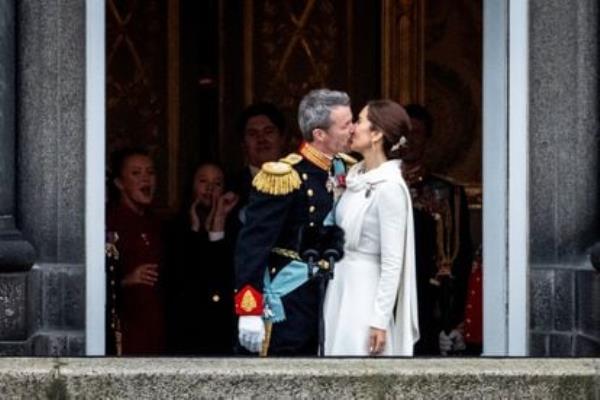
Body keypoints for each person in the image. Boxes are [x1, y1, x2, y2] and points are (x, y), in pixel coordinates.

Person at [234, 89, 355, 355]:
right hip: (291, 299)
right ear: (320, 134)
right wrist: (249, 308)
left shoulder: (346, 170)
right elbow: (252, 246)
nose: (353, 130)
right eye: (345, 124)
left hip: (334, 298)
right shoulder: (283, 176)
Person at [323, 100, 419, 356]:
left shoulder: (389, 187)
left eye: (360, 121)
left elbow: (392, 260)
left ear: (376, 134)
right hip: (341, 285)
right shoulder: (355, 176)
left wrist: (379, 319)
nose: (352, 127)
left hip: (365, 294)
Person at [401, 104, 473, 356]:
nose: (408, 140)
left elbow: (461, 258)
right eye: (402, 132)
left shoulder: (447, 193)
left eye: (416, 133)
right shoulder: (375, 186)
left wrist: (454, 319)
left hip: (429, 300)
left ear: (427, 139)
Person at [166, 162, 239, 355]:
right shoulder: (175, 227)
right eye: (203, 181)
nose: (209, 188)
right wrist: (194, 231)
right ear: (191, 186)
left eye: (217, 183)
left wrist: (217, 230)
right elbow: (181, 277)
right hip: (185, 327)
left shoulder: (235, 227)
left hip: (221, 327)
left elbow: (222, 276)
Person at [105, 148, 166, 355]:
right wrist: (125, 280)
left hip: (156, 329)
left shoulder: (157, 223)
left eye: (150, 172)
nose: (145, 179)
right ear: (119, 183)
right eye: (136, 173)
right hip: (124, 331)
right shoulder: (108, 221)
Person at [231, 102, 287, 213]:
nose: (261, 139)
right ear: (243, 144)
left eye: (268, 132)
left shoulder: (304, 183)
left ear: (282, 139)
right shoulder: (230, 187)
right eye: (252, 134)